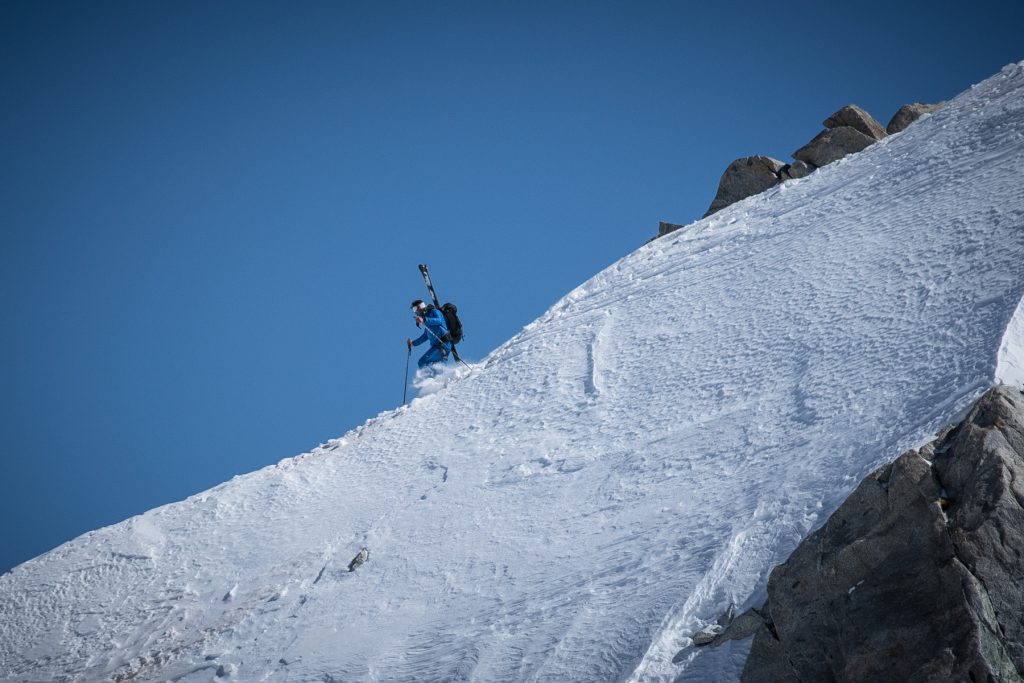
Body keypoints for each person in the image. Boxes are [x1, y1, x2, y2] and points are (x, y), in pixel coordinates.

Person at [407, 299, 451, 368]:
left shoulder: (433, 311)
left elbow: (439, 320)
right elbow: (425, 336)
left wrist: (424, 320)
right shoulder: (427, 322)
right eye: (414, 310)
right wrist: (413, 343)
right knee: (436, 365)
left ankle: (431, 377)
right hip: (438, 347)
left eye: (416, 309)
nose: (416, 312)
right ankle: (443, 377)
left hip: (442, 343)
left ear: (421, 307)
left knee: (422, 362)